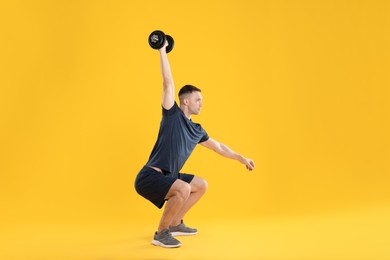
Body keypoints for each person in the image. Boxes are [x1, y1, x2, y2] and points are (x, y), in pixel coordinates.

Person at [134, 39, 255, 248]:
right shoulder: (172, 115)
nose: (202, 103)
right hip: (149, 176)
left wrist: (241, 158)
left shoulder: (197, 130)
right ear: (186, 101)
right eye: (198, 100)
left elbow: (219, 147)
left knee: (200, 185)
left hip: (169, 176)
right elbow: (168, 83)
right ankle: (161, 233)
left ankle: (174, 223)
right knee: (182, 189)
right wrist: (162, 50)